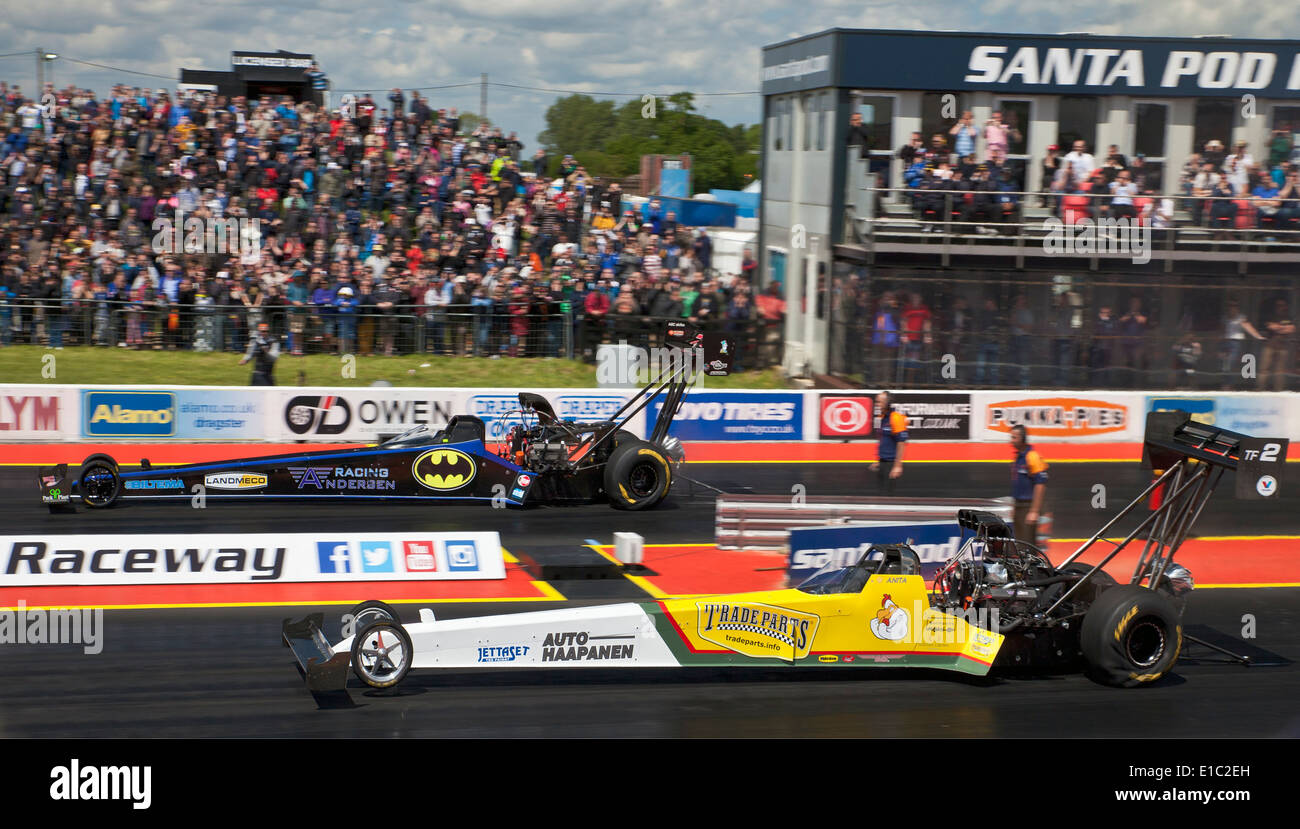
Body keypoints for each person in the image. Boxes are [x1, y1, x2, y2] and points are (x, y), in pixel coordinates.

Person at [1010, 425, 1048, 546]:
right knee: (1020, 542)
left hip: (1028, 506)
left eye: (1014, 437)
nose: (1011, 440)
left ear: (1022, 438)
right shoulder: (1018, 457)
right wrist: (1014, 507)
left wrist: (1034, 510)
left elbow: (1040, 484)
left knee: (1028, 543)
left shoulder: (1032, 456)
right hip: (1019, 505)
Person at [869, 391, 908, 495]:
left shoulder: (896, 418)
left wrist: (897, 466)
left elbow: (901, 443)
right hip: (883, 462)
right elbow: (883, 440)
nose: (877, 405)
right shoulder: (882, 417)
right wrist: (878, 460)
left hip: (891, 465)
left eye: (879, 402)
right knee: (880, 494)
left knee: (890, 496)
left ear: (887, 403)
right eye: (877, 402)